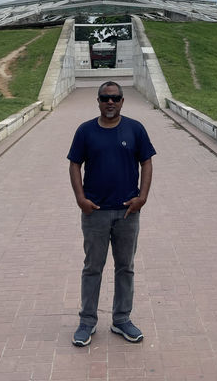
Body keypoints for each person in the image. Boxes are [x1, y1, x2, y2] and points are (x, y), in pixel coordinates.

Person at [68, 81, 156, 347]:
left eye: (116, 98)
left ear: (122, 101)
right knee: (92, 267)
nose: (110, 102)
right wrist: (80, 198)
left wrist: (143, 197)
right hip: (95, 213)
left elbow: (147, 162)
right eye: (106, 98)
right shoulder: (85, 131)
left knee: (125, 268)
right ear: (98, 101)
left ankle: (121, 319)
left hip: (127, 213)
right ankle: (87, 322)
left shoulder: (135, 128)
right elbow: (74, 165)